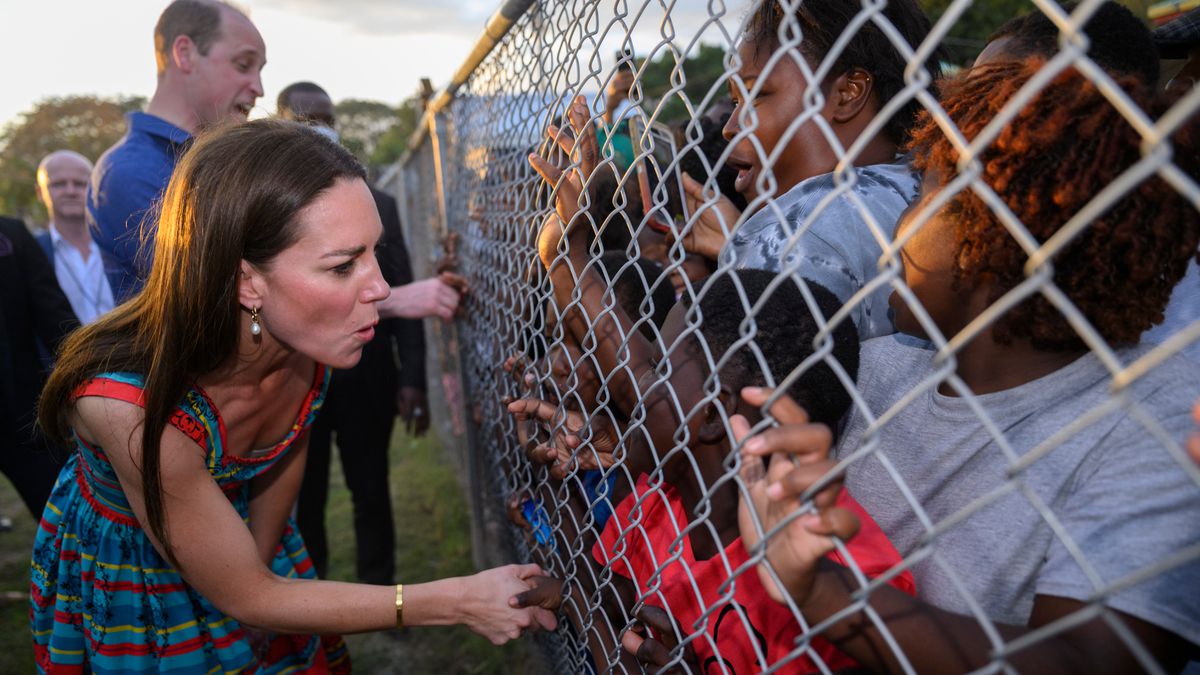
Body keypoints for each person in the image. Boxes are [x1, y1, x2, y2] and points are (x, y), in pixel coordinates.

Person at [32, 120, 556, 674]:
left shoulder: (305, 343)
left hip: (252, 544)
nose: (380, 287)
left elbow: (279, 464)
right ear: (246, 283)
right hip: (134, 577)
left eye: (373, 253)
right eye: (343, 265)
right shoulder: (130, 409)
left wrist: (261, 575)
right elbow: (246, 595)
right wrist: (455, 600)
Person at [734, 59, 1200, 673]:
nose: (898, 224)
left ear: (1001, 223)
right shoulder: (872, 369)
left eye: (924, 188)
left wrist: (821, 592)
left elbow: (1088, 658)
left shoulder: (1154, 421)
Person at [276, 80, 465, 584]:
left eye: (326, 119)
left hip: (368, 371)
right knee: (302, 497)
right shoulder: (271, 208)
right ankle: (310, 602)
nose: (319, 130)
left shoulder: (375, 200)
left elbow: (402, 291)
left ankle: (379, 594)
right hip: (294, 379)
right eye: (304, 121)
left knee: (371, 488)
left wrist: (413, 381)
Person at [677, 0, 944, 340]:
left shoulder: (803, 230)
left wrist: (585, 269)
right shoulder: (927, 188)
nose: (730, 126)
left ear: (847, 94)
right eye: (734, 102)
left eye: (757, 94)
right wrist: (744, 243)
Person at [89, 0, 265, 301]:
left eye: (259, 70)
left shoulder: (215, 160)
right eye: (243, 65)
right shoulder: (130, 172)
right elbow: (212, 288)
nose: (259, 88)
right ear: (185, 54)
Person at [0, 216, 77, 519]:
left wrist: (93, 370)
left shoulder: (12, 235)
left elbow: (56, 318)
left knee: (61, 516)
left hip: (23, 415)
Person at [35, 151, 115, 324]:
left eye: (80, 184)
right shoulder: (32, 253)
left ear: (95, 188)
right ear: (40, 192)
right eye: (58, 184)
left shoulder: (120, 246)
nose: (70, 191)